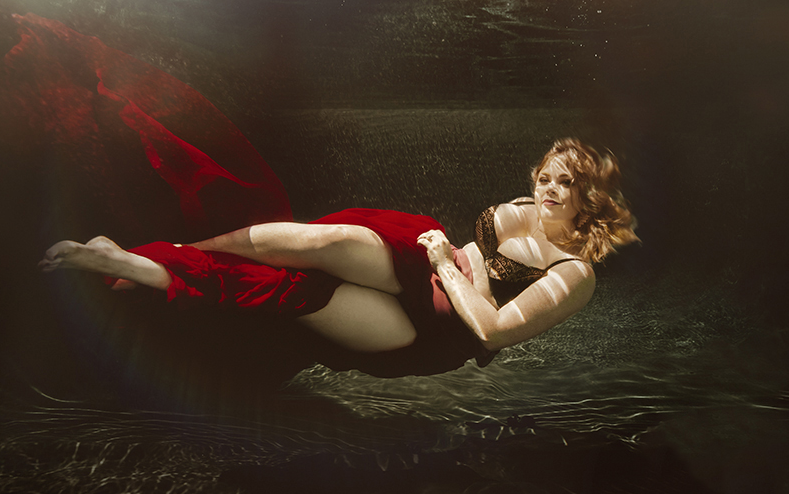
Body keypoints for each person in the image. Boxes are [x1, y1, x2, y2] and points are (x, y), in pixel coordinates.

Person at [40, 138, 638, 377]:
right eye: (548, 176)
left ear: (592, 197)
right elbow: (474, 255)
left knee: (296, 292)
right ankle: (161, 258)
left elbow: (491, 331)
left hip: (439, 329)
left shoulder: (576, 274)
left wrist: (447, 268)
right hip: (436, 265)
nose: (550, 188)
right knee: (315, 243)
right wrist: (451, 259)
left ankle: (142, 269)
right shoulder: (523, 206)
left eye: (568, 184)